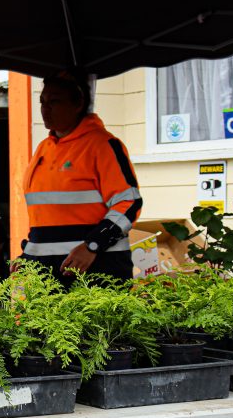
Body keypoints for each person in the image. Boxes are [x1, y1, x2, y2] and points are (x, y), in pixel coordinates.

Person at [20, 71, 142, 286]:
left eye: (54, 101)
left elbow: (129, 203)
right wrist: (29, 255)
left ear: (78, 104)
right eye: (42, 102)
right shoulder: (43, 149)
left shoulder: (103, 145)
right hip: (48, 274)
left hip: (99, 270)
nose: (45, 109)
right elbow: (44, 216)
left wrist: (92, 246)